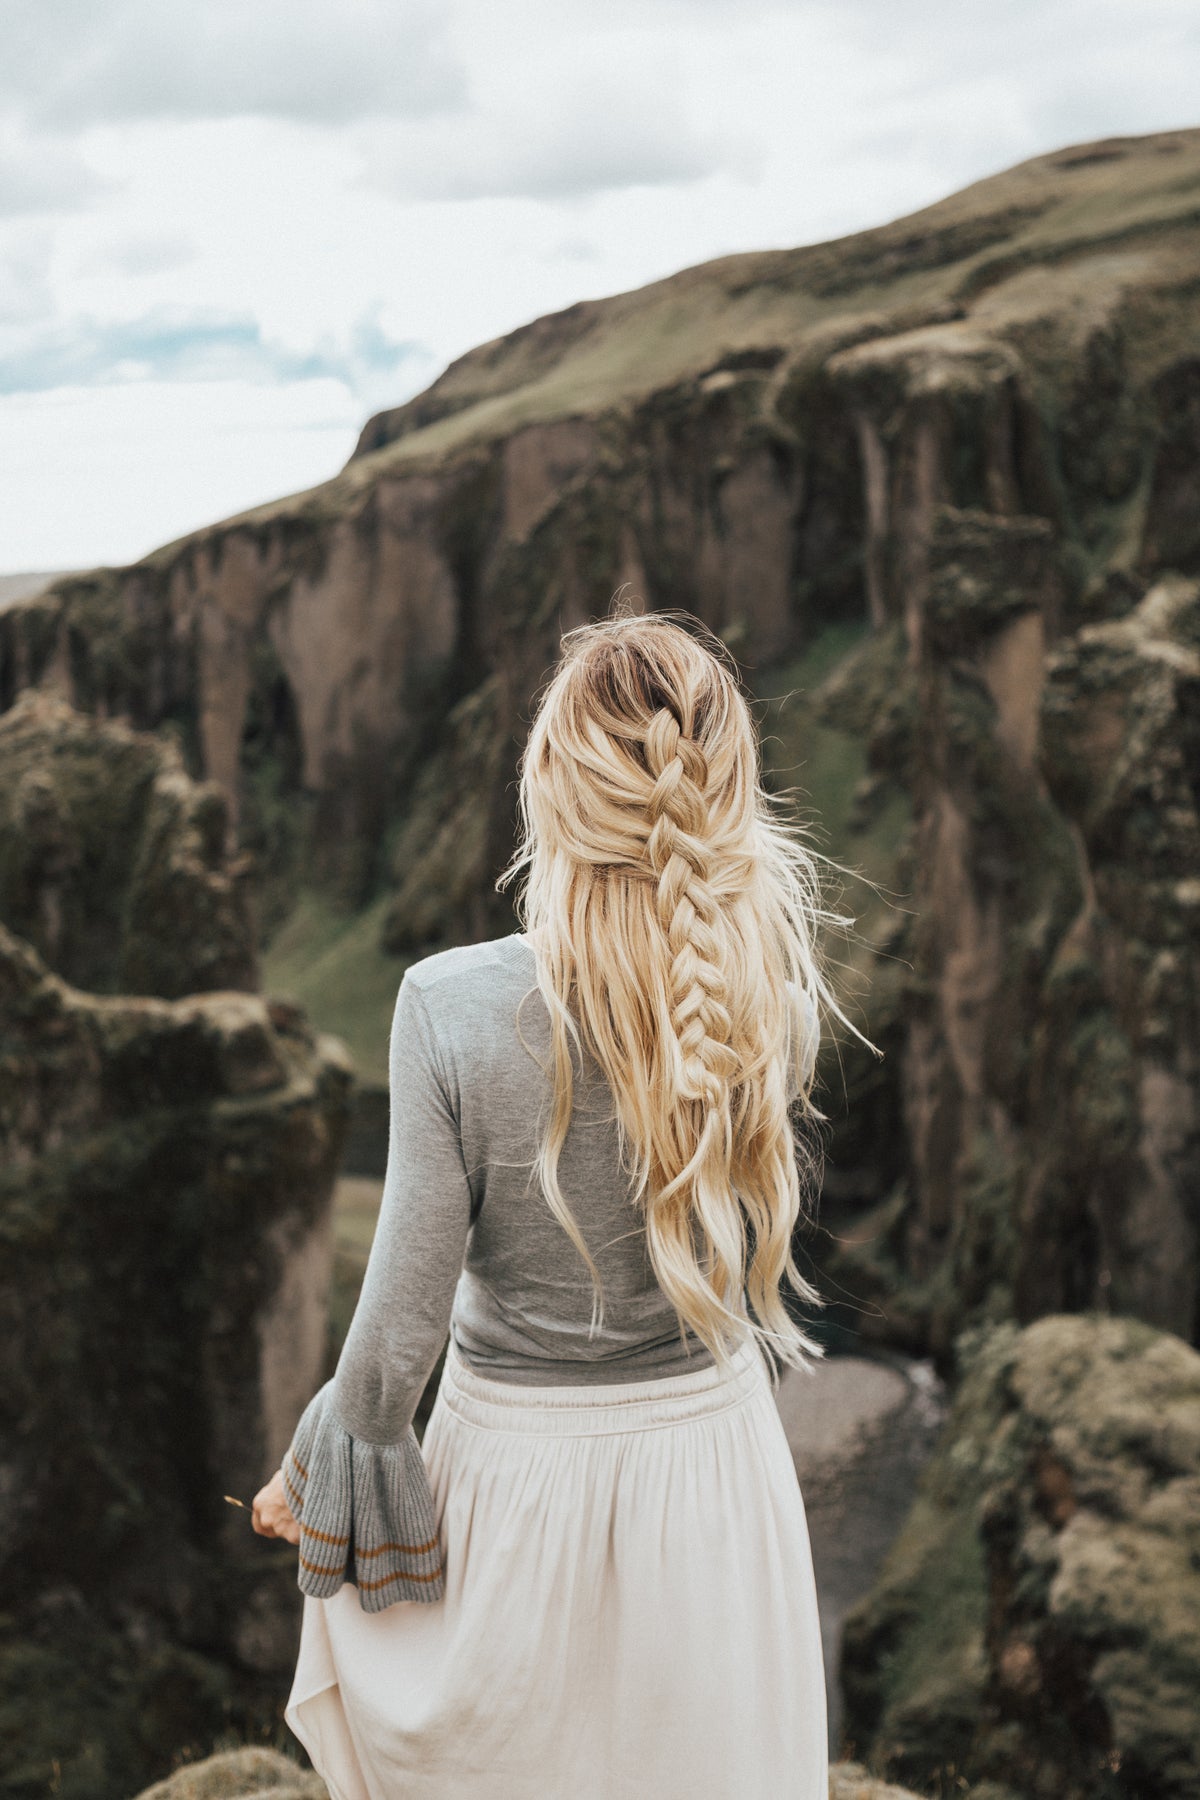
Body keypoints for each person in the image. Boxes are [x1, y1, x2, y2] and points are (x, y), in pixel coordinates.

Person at [251, 607, 872, 1799]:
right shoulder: (759, 995)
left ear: (550, 791)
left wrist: (310, 1468)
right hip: (714, 1476)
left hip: (515, 1488)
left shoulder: (447, 1007)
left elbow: (390, 1355)